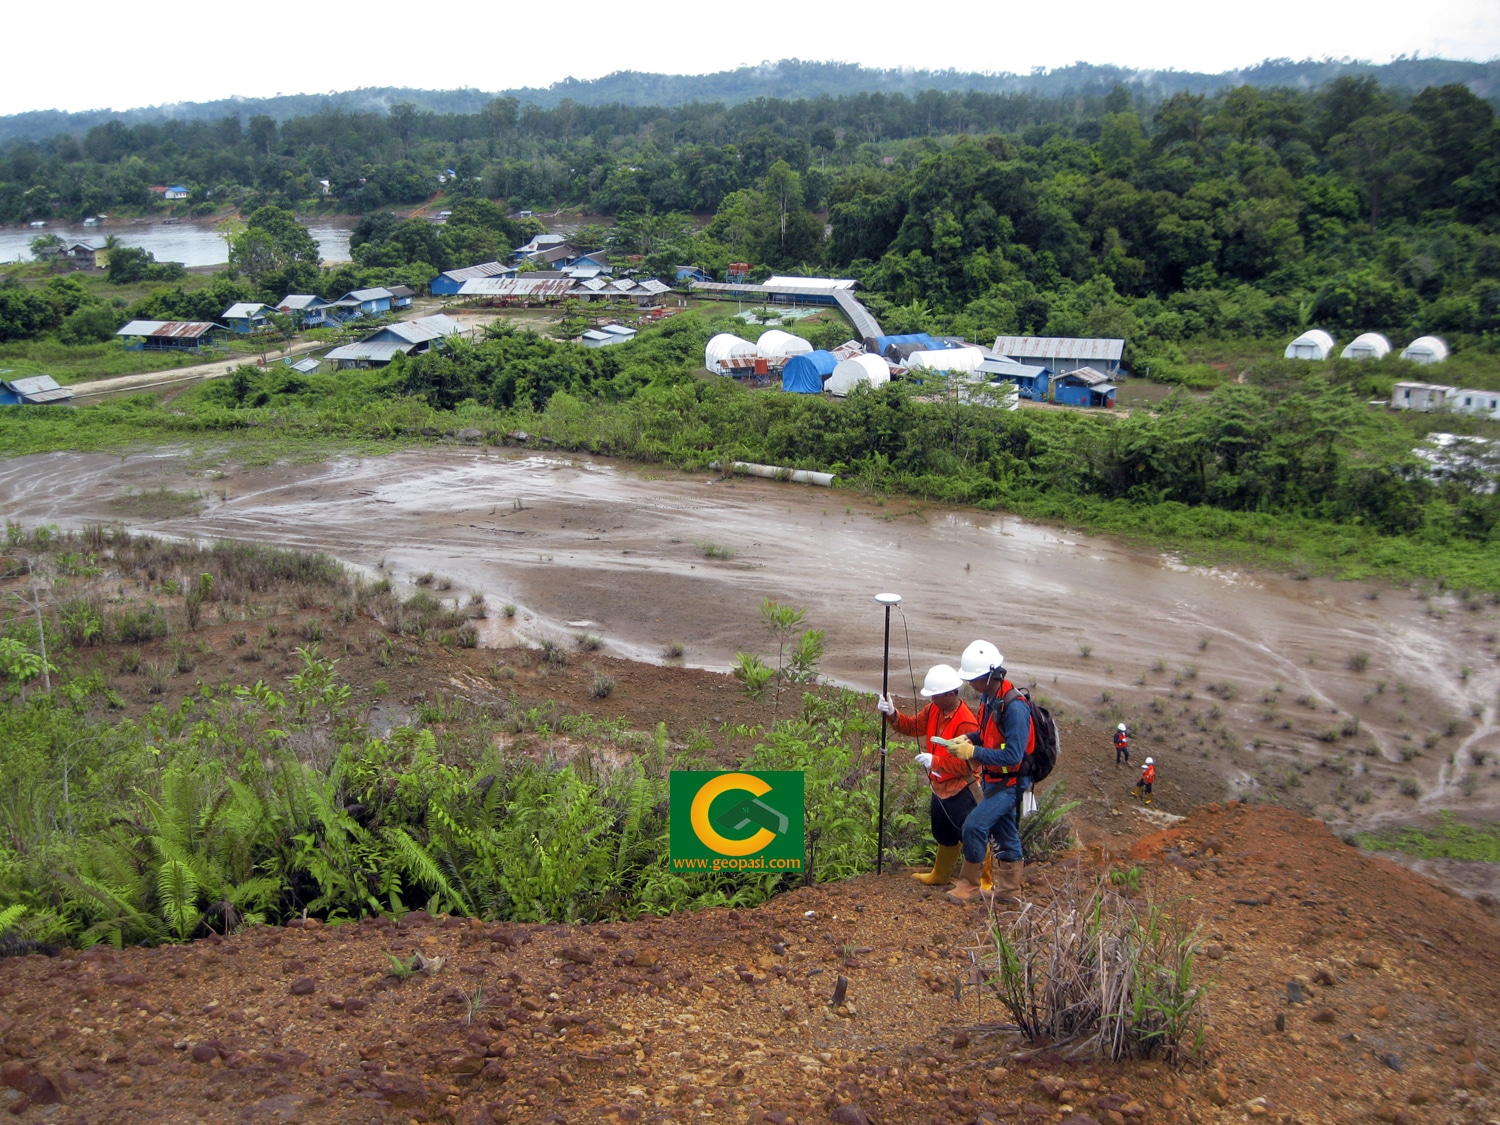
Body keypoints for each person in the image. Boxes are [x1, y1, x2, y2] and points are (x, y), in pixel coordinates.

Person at [944, 640, 1033, 906]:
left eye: (975, 678)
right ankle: (1009, 892)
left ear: (991, 675)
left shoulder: (1015, 708)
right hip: (996, 778)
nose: (971, 684)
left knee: (974, 825)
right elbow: (986, 735)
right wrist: (968, 738)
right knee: (1005, 833)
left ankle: (969, 885)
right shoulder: (989, 698)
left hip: (1011, 782)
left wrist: (973, 753)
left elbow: (1013, 756)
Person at [878, 665, 980, 886]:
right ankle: (941, 875)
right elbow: (913, 727)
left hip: (962, 788)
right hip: (940, 785)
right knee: (944, 832)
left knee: (971, 833)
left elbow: (968, 765)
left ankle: (983, 880)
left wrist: (936, 762)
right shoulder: (933, 709)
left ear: (951, 694)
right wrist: (892, 713)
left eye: (936, 694)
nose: (932, 698)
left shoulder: (967, 721)